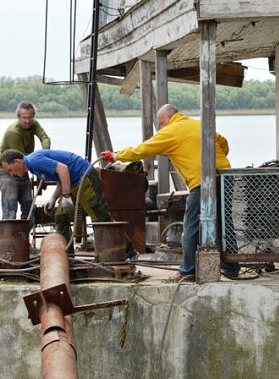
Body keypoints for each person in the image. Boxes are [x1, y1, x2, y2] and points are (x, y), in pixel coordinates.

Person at [100, 103, 239, 279]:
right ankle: (232, 268)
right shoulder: (199, 125)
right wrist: (217, 160)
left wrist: (116, 155)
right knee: (224, 223)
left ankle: (187, 271)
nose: (160, 127)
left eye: (160, 123)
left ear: (167, 118)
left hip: (202, 182)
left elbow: (142, 149)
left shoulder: (170, 131)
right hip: (225, 176)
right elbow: (222, 142)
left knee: (191, 227)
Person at [0, 149, 112, 246]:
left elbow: (63, 169)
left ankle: (121, 252)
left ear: (17, 162)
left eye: (9, 170)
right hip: (72, 183)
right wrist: (53, 198)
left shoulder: (34, 161)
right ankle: (67, 256)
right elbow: (61, 177)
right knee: (61, 216)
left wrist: (66, 196)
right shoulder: (32, 166)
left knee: (100, 217)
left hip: (83, 176)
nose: (12, 174)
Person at [0, 101, 51, 220]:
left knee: (29, 211)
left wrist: (45, 153)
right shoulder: (13, 133)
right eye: (24, 118)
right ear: (18, 117)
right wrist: (41, 162)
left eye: (30, 117)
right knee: (10, 210)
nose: (27, 121)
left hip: (23, 170)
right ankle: (9, 237)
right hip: (8, 171)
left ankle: (22, 237)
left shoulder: (34, 124)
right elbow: (22, 158)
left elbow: (44, 137)